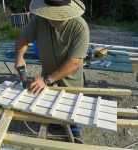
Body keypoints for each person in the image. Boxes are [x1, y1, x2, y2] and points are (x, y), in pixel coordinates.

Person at [15, 0, 89, 139]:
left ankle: (74, 131)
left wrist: (47, 80)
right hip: (47, 76)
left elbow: (75, 62)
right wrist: (19, 56)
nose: (53, 18)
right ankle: (54, 125)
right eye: (50, 14)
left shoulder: (80, 27)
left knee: (72, 113)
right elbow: (23, 39)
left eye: (57, 15)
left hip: (71, 81)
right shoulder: (39, 20)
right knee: (52, 114)